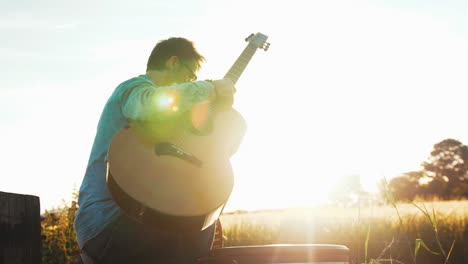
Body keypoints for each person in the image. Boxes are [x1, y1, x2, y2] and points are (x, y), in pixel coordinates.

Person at [74, 37, 236, 264]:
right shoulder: (133, 88)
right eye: (191, 75)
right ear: (173, 63)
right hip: (109, 221)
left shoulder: (168, 122)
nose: (192, 82)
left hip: (140, 225)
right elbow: (151, 104)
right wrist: (209, 89)